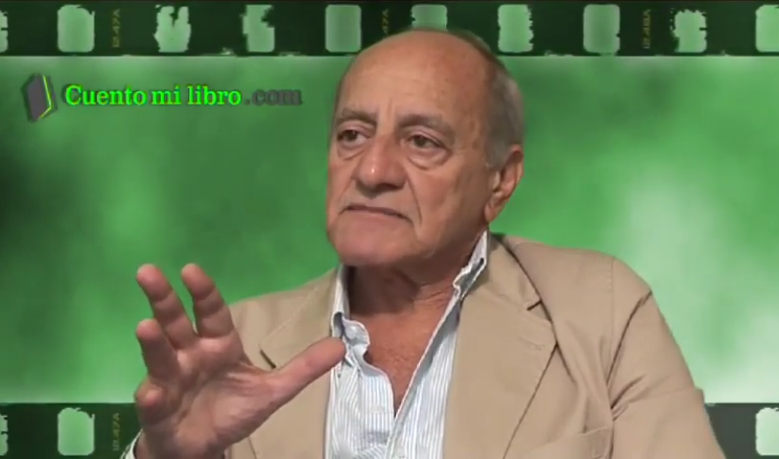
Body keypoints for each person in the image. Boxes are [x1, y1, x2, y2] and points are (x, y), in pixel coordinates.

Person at [122, 28, 725, 459]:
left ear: (500, 180)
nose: (372, 170)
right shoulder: (239, 349)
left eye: (422, 142)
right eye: (352, 134)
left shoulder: (602, 311)